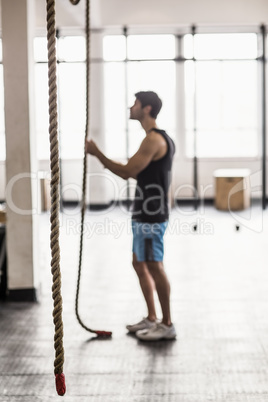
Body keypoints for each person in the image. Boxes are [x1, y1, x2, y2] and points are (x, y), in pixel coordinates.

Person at [85, 91, 176, 341]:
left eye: (135, 103)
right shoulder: (154, 139)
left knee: (154, 265)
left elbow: (127, 172)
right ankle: (151, 318)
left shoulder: (154, 140)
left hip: (151, 214)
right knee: (139, 263)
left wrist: (97, 154)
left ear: (146, 109)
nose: (131, 107)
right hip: (145, 212)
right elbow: (138, 173)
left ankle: (167, 324)